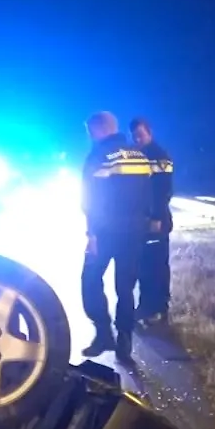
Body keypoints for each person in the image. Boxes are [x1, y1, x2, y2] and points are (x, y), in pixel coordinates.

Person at [80, 111, 156, 363]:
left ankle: (103, 333)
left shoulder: (99, 155)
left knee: (90, 278)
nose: (89, 136)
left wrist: (91, 233)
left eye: (90, 131)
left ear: (98, 129)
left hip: (105, 231)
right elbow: (150, 193)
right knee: (125, 287)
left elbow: (91, 199)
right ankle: (124, 342)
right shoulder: (139, 154)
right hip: (134, 231)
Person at [130, 116, 175, 323]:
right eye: (135, 135)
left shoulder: (160, 156)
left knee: (158, 265)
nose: (137, 138)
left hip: (157, 221)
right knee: (143, 265)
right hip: (141, 221)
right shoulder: (136, 155)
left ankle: (160, 307)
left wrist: (156, 217)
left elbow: (164, 189)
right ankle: (146, 306)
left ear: (149, 133)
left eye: (141, 134)